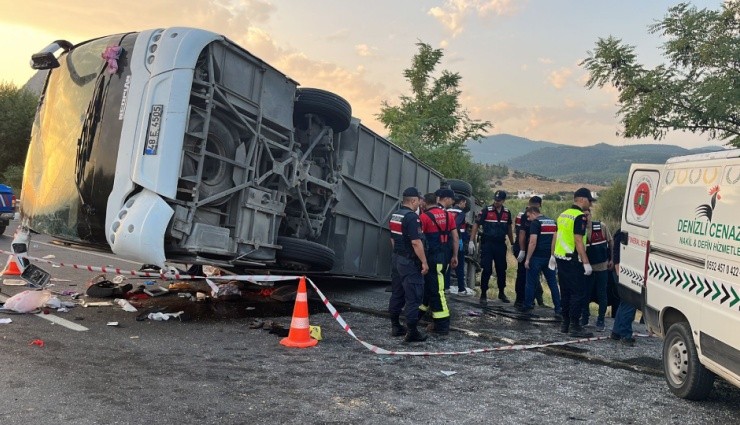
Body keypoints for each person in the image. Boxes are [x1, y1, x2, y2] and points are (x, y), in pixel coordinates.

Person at [552, 187, 595, 338]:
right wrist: (586, 262)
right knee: (578, 293)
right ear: (582, 199)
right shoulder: (579, 216)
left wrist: (553, 256)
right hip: (573, 260)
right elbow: (578, 240)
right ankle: (575, 326)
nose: (590, 205)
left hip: (560, 258)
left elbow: (556, 235)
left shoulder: (563, 215)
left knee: (565, 292)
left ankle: (565, 323)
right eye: (589, 201)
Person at [388, 187, 429, 342]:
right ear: (413, 200)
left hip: (397, 258)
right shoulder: (412, 218)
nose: (420, 202)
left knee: (397, 293)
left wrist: (398, 254)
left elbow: (392, 238)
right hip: (409, 262)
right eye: (419, 199)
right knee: (414, 296)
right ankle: (412, 332)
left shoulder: (395, 215)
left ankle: (395, 326)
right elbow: (416, 242)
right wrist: (424, 262)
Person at [419, 189, 459, 335]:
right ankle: (418, 314)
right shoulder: (449, 216)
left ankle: (442, 325)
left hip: (432, 258)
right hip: (445, 256)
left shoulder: (424, 217)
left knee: (437, 290)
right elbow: (455, 238)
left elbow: (418, 241)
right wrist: (455, 256)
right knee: (431, 287)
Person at [470, 190, 514, 305]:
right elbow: (476, 224)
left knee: (501, 269)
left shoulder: (507, 212)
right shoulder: (486, 210)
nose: (496, 202)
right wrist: (471, 240)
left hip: (500, 244)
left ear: (503, 201)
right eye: (495, 200)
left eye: (499, 201)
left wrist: (513, 243)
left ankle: (501, 292)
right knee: (487, 269)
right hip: (487, 244)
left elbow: (509, 228)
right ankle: (483, 293)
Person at [522, 206, 562, 317]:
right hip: (549, 258)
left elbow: (533, 242)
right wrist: (553, 256)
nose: (528, 219)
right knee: (553, 284)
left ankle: (527, 307)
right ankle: (558, 309)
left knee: (530, 283)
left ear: (533, 213)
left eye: (528, 216)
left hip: (536, 257)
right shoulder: (552, 222)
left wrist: (528, 259)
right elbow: (556, 239)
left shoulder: (535, 223)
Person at [579, 208, 613, 332]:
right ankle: (585, 317)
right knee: (585, 293)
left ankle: (601, 320)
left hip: (602, 266)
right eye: (583, 216)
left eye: (587, 215)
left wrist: (612, 259)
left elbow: (610, 242)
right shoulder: (579, 230)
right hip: (586, 267)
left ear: (591, 215)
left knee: (602, 294)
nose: (585, 218)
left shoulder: (602, 227)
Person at [514, 196, 545, 308]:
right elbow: (521, 234)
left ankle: (532, 300)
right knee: (522, 274)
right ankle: (520, 300)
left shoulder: (536, 216)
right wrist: (522, 251)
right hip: (523, 247)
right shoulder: (524, 216)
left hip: (531, 249)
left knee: (532, 276)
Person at [610, 229, 637, 346]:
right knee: (630, 303)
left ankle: (616, 332)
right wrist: (618, 271)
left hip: (623, 271)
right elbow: (616, 252)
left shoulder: (622, 232)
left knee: (624, 302)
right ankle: (626, 335)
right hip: (623, 271)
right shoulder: (622, 233)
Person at [447, 196, 474, 296]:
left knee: (447, 265)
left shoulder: (447, 211)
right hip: (458, 240)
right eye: (464, 203)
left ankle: (446, 287)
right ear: (461, 202)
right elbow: (456, 225)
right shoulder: (461, 213)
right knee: (459, 265)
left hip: (446, 241)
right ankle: (461, 289)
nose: (465, 205)